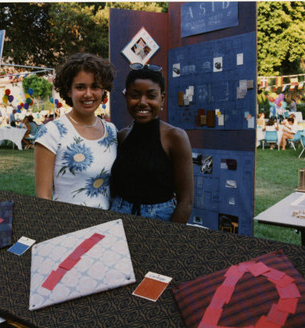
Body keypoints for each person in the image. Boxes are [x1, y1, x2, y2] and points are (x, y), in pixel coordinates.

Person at [109, 64, 193, 224]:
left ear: (162, 98)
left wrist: (168, 239)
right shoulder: (122, 136)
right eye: (135, 95)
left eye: (151, 96)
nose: (142, 102)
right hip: (118, 217)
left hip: (159, 220)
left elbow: (186, 201)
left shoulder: (175, 137)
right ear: (126, 97)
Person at [34, 53, 117, 209]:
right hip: (68, 225)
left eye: (95, 86)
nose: (88, 94)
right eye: (80, 87)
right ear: (68, 90)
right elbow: (43, 197)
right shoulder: (52, 132)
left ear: (103, 90)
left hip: (108, 225)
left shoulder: (111, 131)